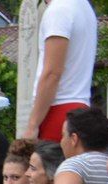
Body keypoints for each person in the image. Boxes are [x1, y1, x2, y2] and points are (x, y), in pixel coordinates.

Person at [22, 0, 98, 140]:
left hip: (57, 110)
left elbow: (52, 73)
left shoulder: (59, 10)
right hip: (79, 106)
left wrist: (32, 125)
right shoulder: (84, 7)